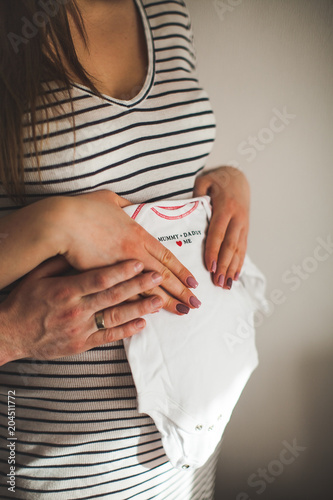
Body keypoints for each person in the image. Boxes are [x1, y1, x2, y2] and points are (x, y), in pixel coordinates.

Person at [0, 0, 250, 498]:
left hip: (186, 441)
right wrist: (14, 333)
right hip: (56, 468)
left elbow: (146, 157)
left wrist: (223, 179)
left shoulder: (165, 11)